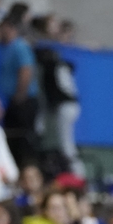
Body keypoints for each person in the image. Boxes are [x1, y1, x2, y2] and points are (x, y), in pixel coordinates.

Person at [0, 12, 40, 167]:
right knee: (12, 139)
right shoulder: (7, 48)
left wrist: (20, 95)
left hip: (23, 101)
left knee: (23, 139)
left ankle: (26, 169)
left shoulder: (19, 46)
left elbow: (26, 70)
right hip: (14, 100)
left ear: (9, 28)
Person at [35, 37, 82, 177]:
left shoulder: (51, 69)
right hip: (70, 106)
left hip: (65, 107)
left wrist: (40, 123)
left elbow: (49, 95)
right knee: (65, 143)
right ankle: (74, 172)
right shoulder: (62, 66)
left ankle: (77, 175)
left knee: (66, 144)